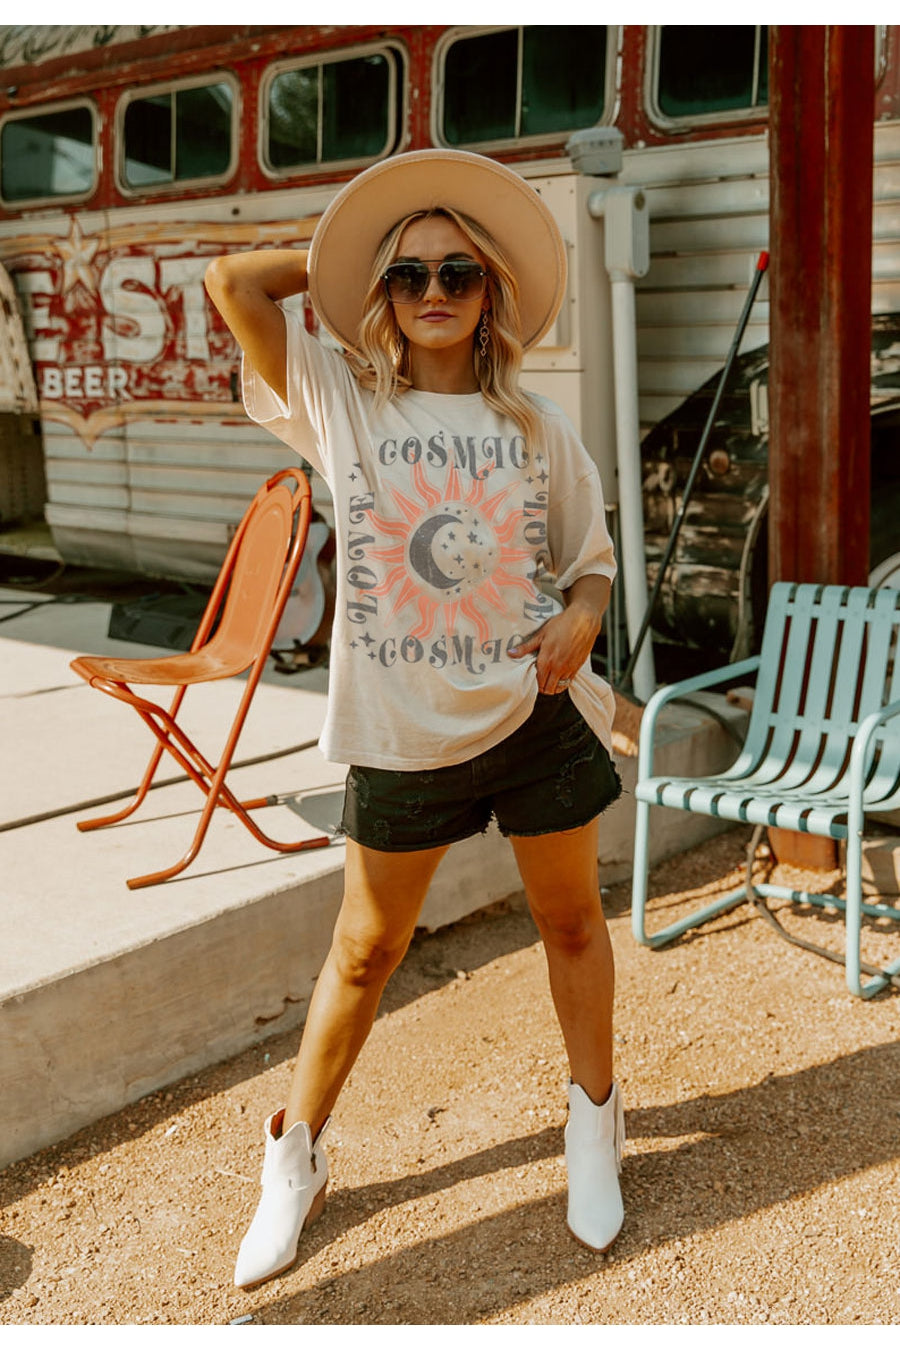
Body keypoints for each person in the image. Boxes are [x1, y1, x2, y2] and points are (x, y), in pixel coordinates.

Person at [204, 148, 626, 1290]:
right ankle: (295, 1159)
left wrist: (582, 615)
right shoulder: (343, 402)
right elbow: (234, 284)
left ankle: (594, 1124)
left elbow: (590, 566)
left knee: (572, 925)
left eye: (458, 272)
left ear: (492, 293)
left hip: (534, 716)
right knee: (366, 950)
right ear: (383, 297)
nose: (433, 290)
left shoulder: (538, 428)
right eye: (409, 276)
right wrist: (350, 257)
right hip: (398, 732)